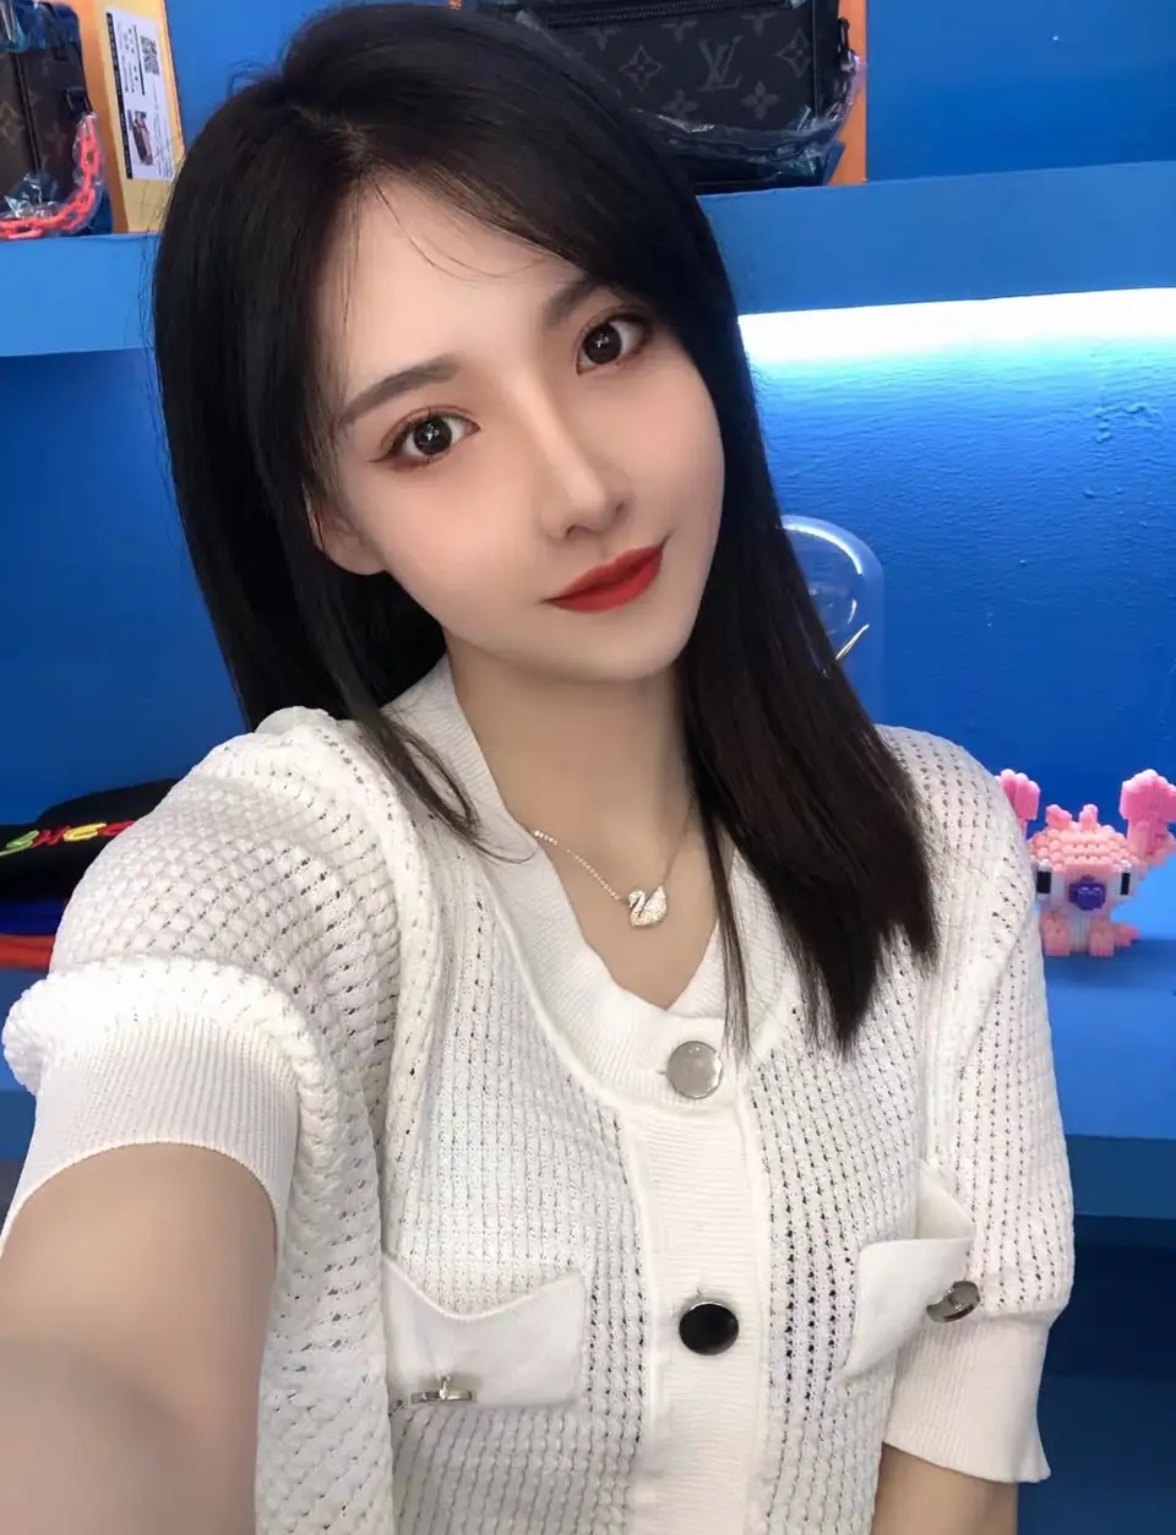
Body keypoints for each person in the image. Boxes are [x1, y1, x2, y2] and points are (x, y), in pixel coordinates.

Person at [0, 6, 1073, 1534]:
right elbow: (109, 1364)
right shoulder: (269, 876)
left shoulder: (944, 847)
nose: (580, 487)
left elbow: (956, 1448)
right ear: (334, 514)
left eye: (606, 341)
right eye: (432, 432)